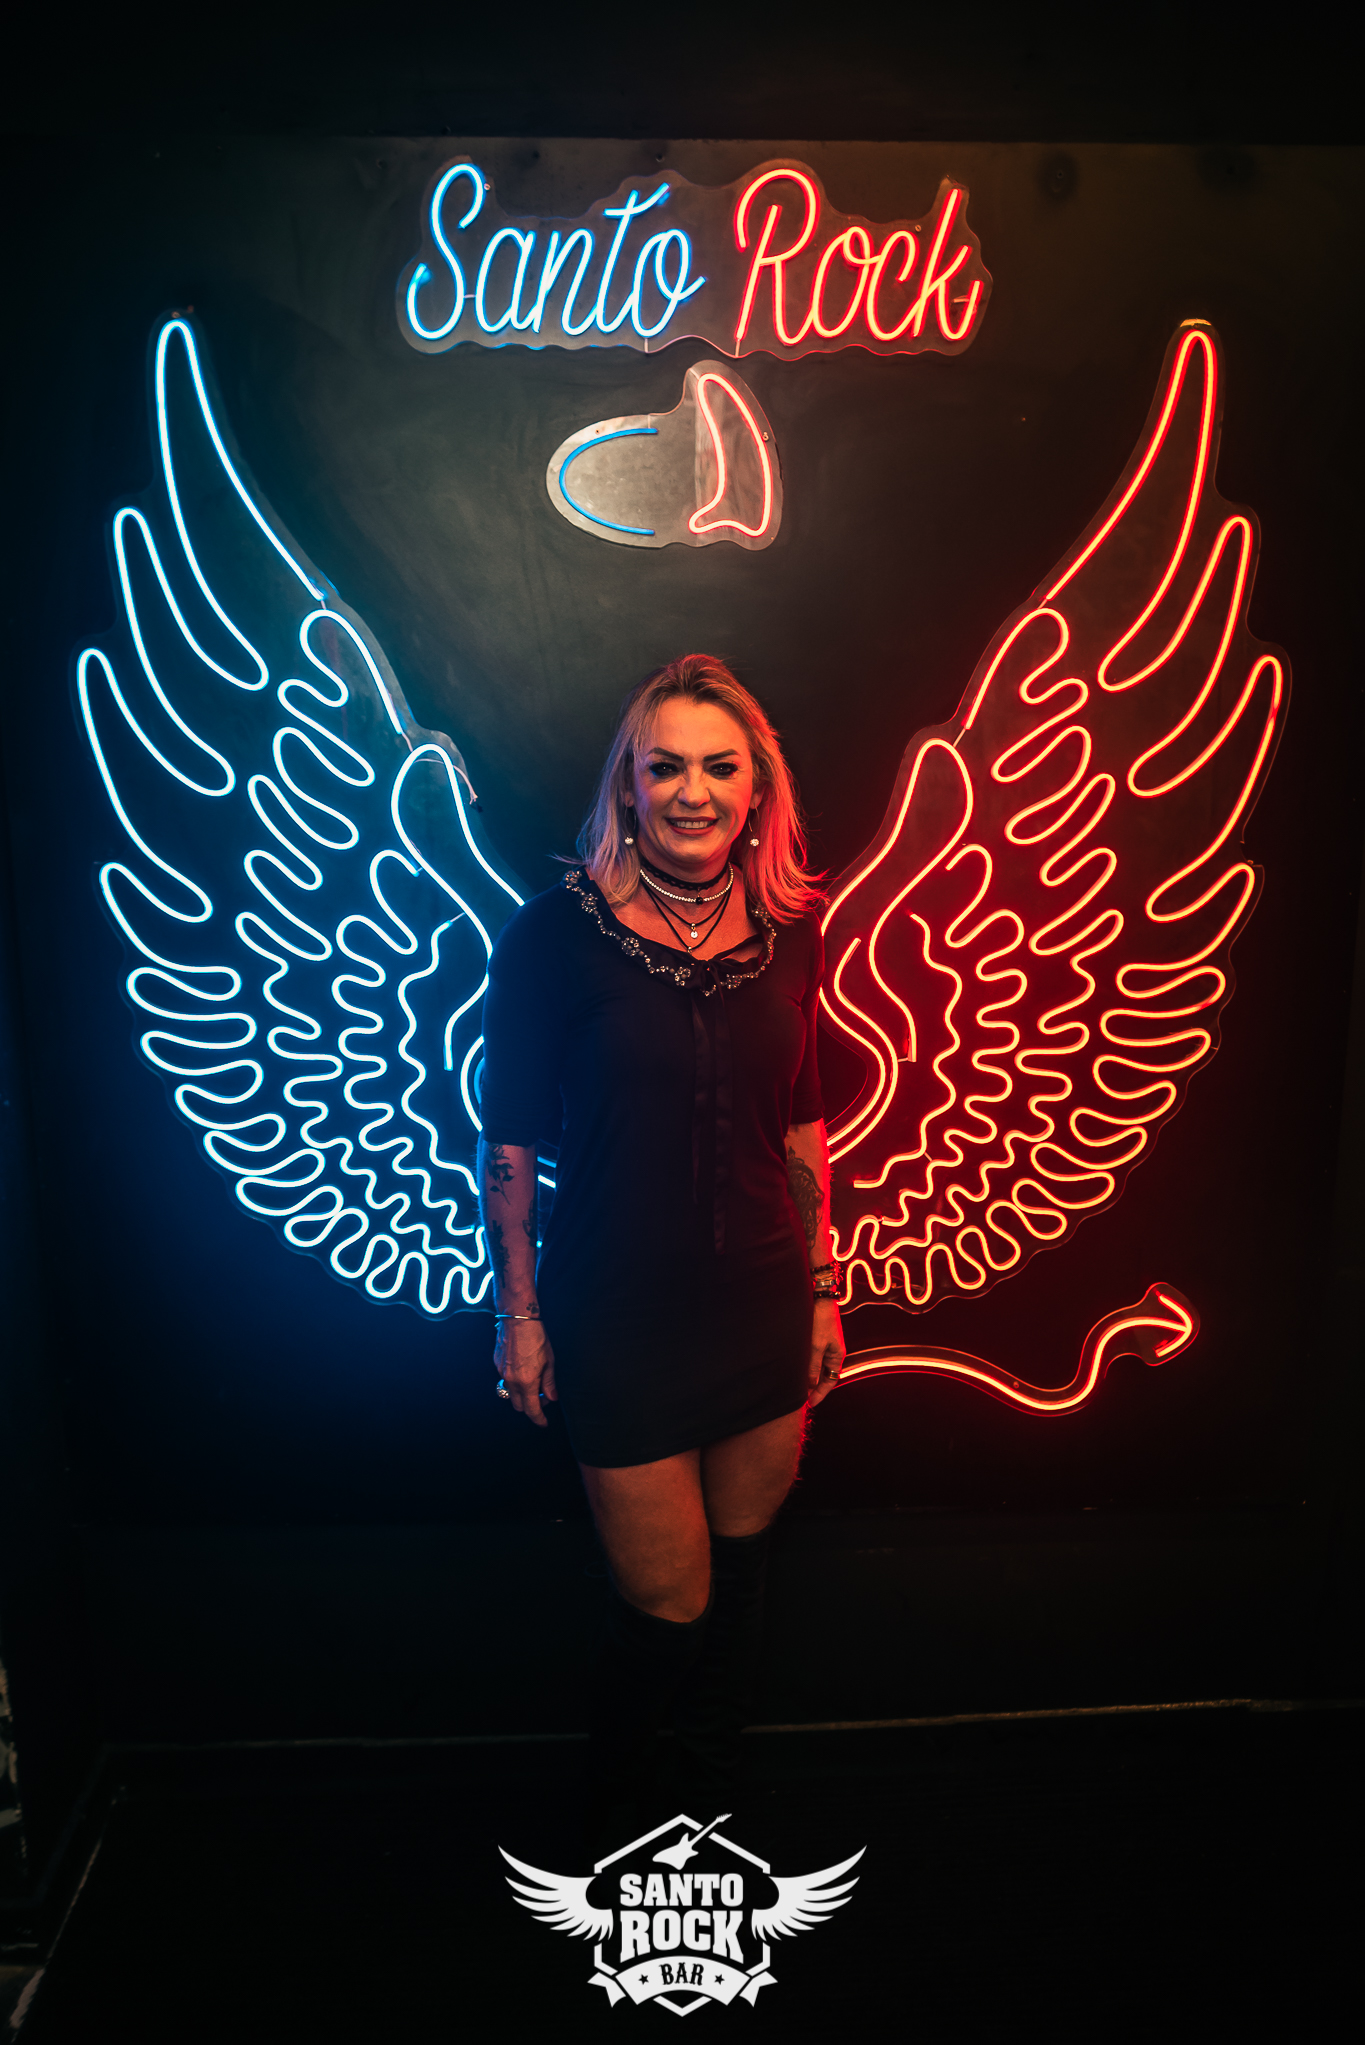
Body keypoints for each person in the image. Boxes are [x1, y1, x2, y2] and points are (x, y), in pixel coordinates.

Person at [476, 653, 845, 1818]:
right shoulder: (553, 934)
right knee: (668, 1605)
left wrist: (824, 1287)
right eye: (665, 766)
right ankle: (621, 1824)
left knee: (742, 1577)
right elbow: (508, 1141)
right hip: (619, 1318)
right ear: (628, 786)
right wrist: (520, 1313)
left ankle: (715, 1800)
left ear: (757, 787)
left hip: (762, 1304)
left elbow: (804, 1121)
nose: (693, 790)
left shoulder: (793, 931)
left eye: (719, 767)